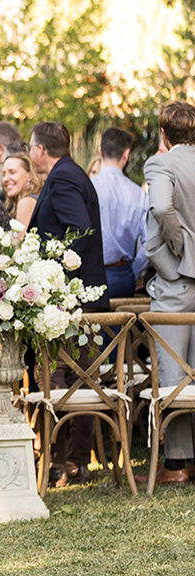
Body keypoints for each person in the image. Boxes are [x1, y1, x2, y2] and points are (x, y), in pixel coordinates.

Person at [28, 121, 109, 486]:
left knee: (67, 378)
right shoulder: (68, 174)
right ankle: (70, 461)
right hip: (76, 300)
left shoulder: (62, 180)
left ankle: (68, 461)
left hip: (74, 302)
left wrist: (52, 277)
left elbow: (79, 232)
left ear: (40, 150)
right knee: (75, 378)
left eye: (31, 148)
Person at [138, 100, 195, 486]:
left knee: (174, 372)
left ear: (163, 133)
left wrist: (178, 245)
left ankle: (176, 465)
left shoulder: (162, 163)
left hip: (177, 282)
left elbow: (160, 205)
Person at [91, 128, 149, 299]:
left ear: (100, 151)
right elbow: (149, 242)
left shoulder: (87, 188)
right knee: (122, 325)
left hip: (91, 272)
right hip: (123, 273)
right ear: (126, 154)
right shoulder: (138, 194)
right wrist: (133, 270)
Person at [1, 151, 43, 226]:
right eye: (3, 174)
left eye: (12, 172)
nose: (5, 179)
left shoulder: (26, 202)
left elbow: (20, 237)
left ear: (30, 175)